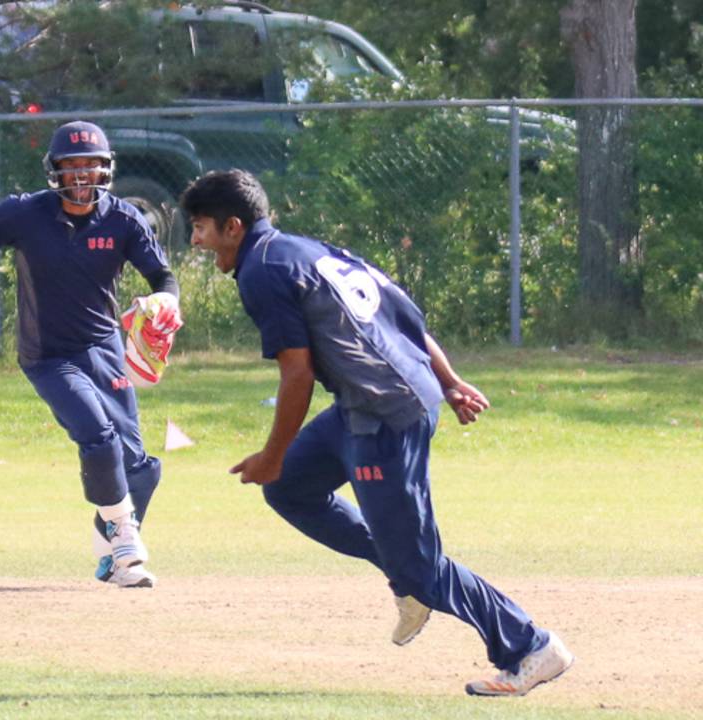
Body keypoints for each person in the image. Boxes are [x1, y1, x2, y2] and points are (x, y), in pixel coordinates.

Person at [180, 168, 574, 696]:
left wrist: (272, 452)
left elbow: (296, 375)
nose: (195, 240)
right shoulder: (303, 249)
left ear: (232, 226)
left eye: (200, 226)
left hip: (387, 415)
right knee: (291, 488)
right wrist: (450, 382)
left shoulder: (261, 271)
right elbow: (401, 315)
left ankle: (530, 645)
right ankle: (402, 573)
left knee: (421, 566)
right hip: (365, 406)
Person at [0, 121, 182, 588]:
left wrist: (166, 301)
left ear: (106, 169)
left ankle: (109, 539)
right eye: (72, 167)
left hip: (104, 350)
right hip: (48, 356)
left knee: (140, 469)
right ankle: (124, 537)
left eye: (91, 166)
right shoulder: (26, 214)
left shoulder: (124, 219)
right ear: (54, 171)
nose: (81, 176)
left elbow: (162, 277)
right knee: (99, 436)